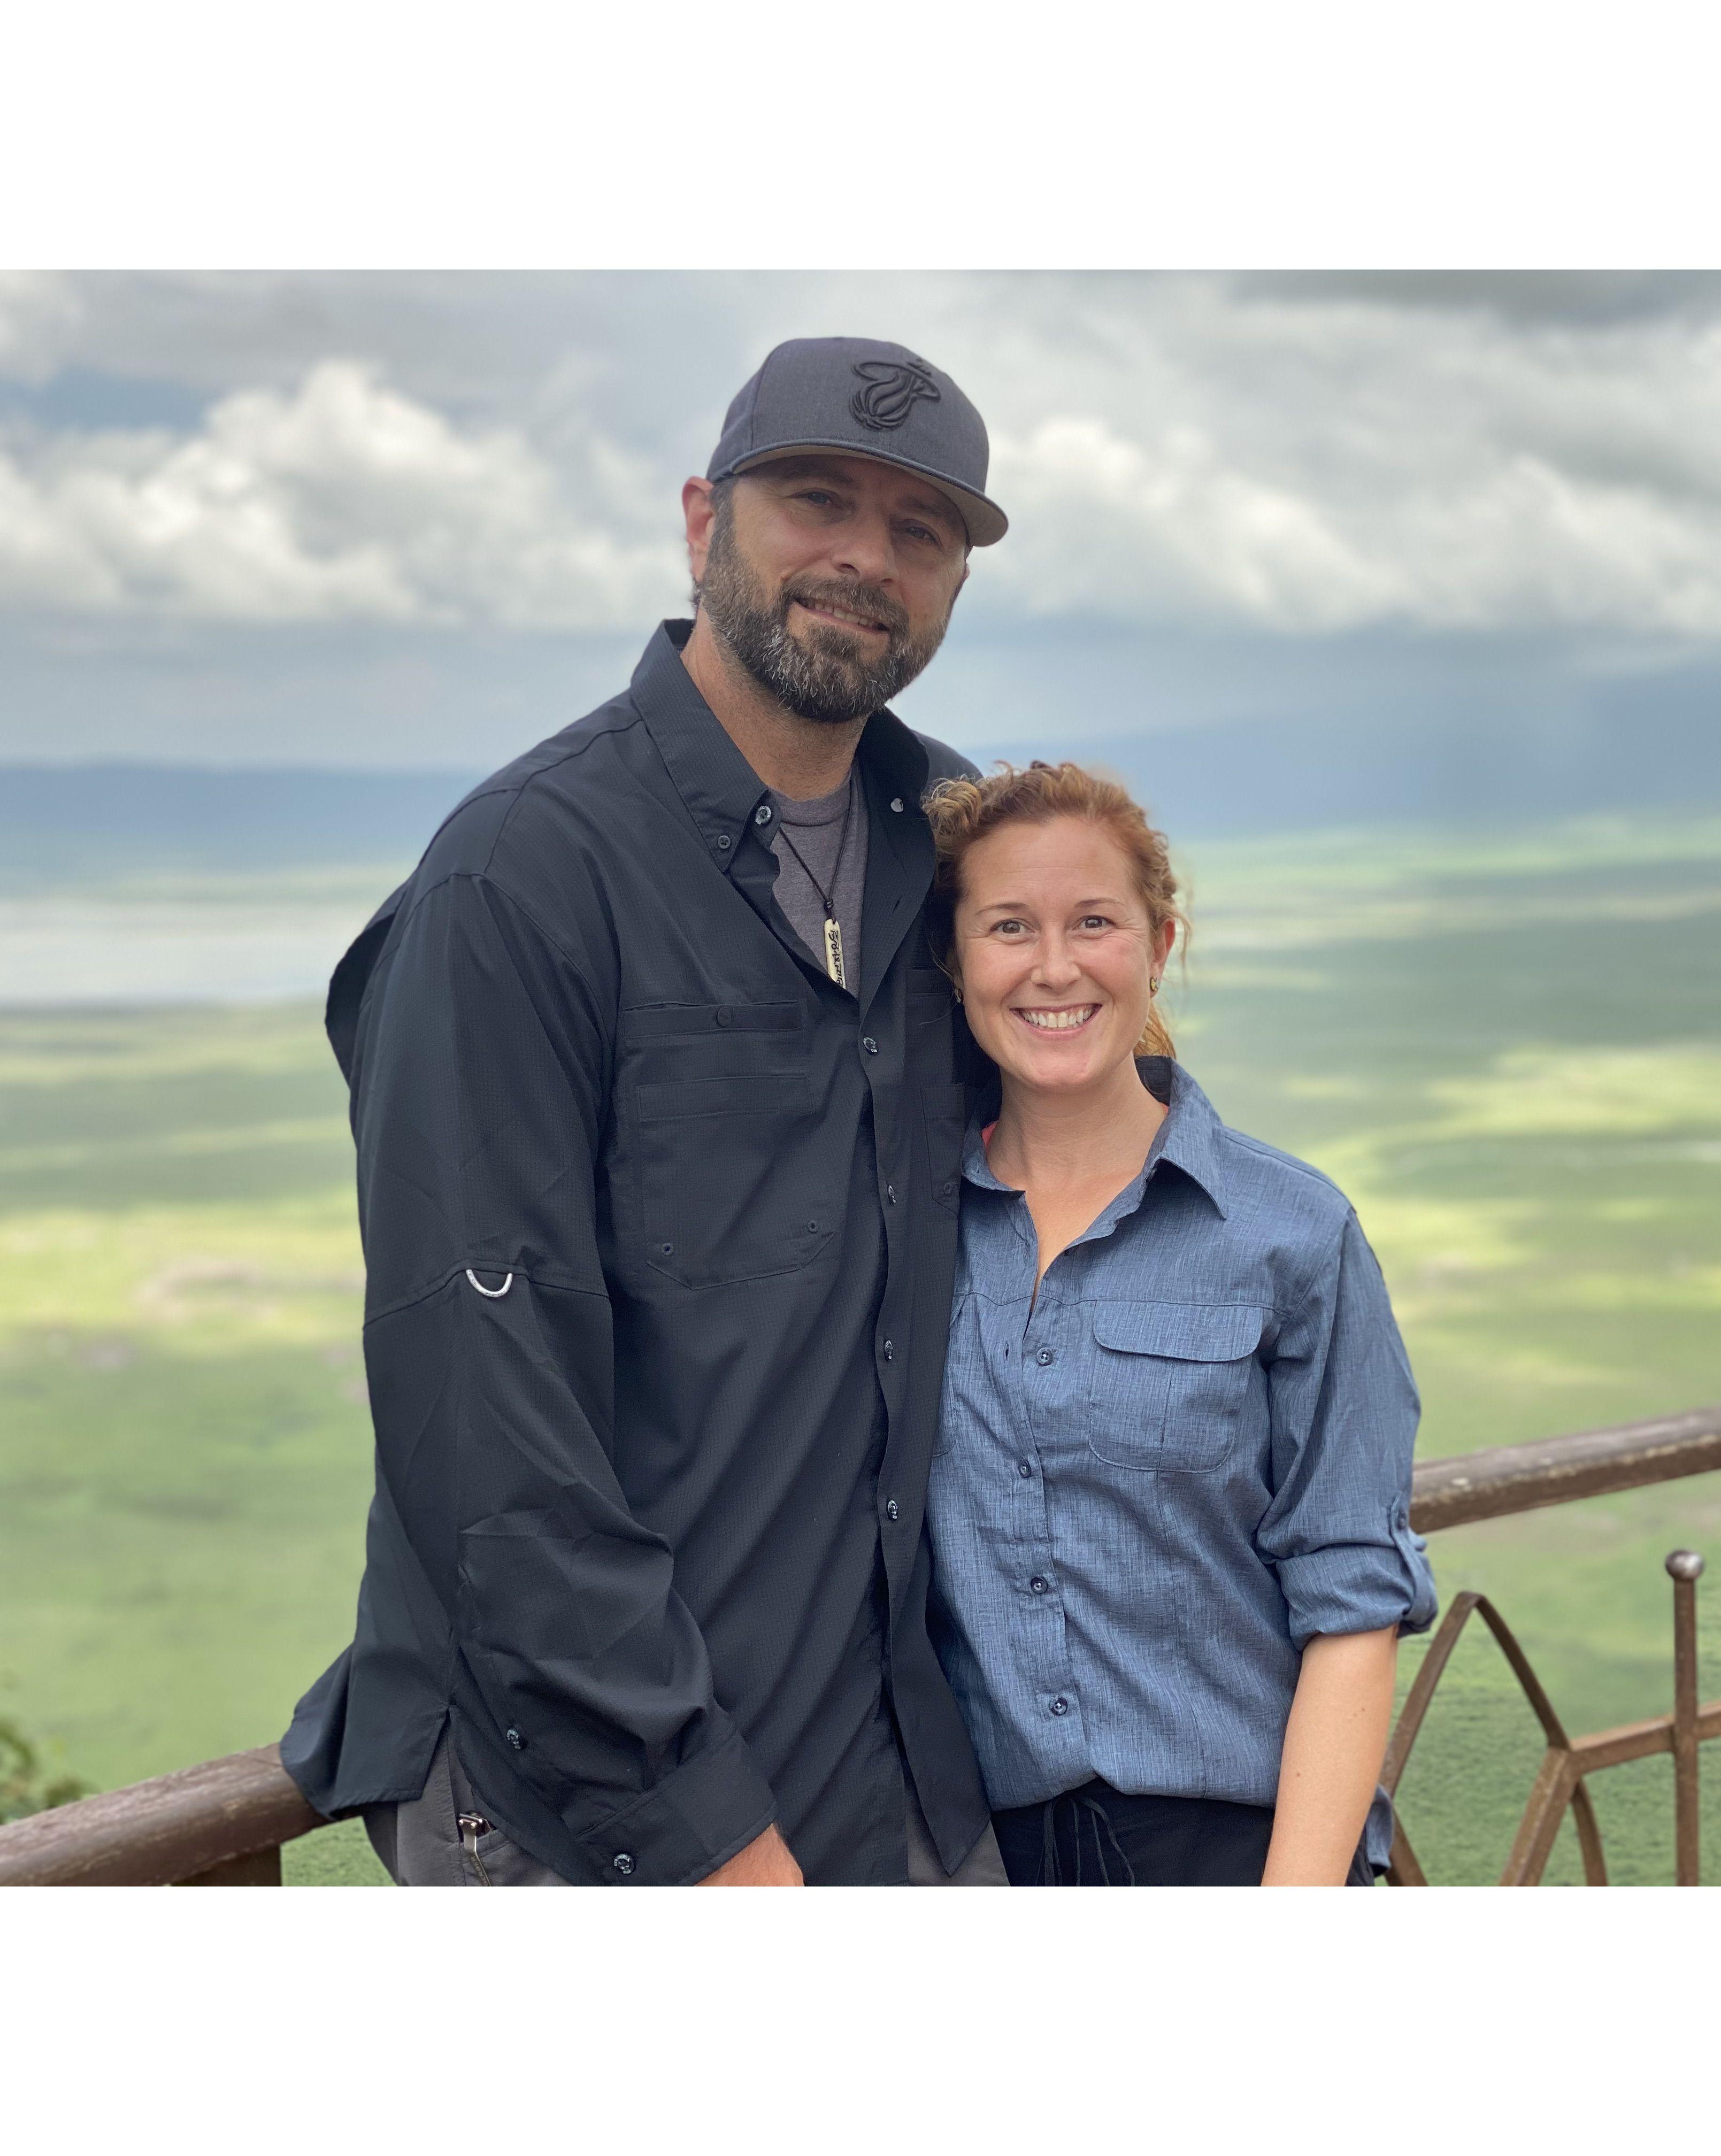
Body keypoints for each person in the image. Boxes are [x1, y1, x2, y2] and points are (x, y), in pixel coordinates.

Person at [279, 337, 1014, 1886]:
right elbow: (488, 1436)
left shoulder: (954, 846)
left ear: (955, 582)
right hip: (588, 1814)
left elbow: (1116, 1162)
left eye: (921, 530)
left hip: (887, 1772)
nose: (864, 557)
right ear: (703, 522)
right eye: (817, 498)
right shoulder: (520, 881)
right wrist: (709, 1839)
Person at [921, 761, 1436, 1885]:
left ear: (1158, 946)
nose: (1054, 967)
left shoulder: (1293, 1232)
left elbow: (1352, 1603)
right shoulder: (904, 1237)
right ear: (954, 960)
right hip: (984, 1866)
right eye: (1009, 927)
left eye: (1093, 922)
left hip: (1246, 1853)